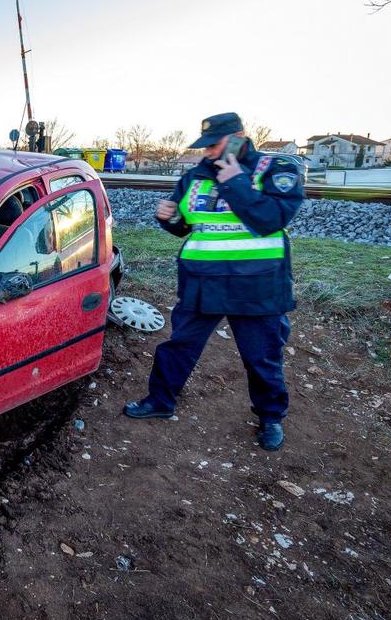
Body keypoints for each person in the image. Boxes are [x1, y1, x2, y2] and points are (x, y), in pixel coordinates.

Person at [122, 112, 305, 451]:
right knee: (179, 346)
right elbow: (187, 225)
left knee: (261, 357)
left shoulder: (274, 170)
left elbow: (270, 219)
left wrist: (234, 181)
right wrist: (170, 219)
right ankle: (160, 401)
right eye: (203, 145)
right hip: (203, 283)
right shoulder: (194, 176)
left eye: (214, 144)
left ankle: (270, 418)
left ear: (239, 137)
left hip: (257, 287)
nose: (206, 152)